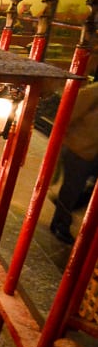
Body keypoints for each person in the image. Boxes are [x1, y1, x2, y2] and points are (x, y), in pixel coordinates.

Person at [49, 81, 98, 244]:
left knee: (80, 191)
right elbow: (70, 113)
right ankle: (61, 223)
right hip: (78, 149)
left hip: (92, 152)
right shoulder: (94, 92)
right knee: (72, 188)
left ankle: (64, 208)